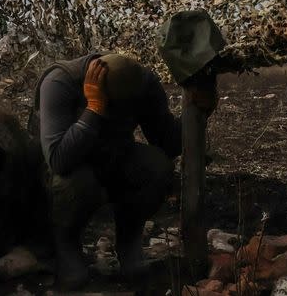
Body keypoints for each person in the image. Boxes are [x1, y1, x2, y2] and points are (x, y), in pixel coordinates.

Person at [35, 52, 215, 288]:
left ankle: (128, 241)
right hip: (66, 168)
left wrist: (199, 111)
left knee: (157, 167)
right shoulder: (60, 82)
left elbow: (165, 141)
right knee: (78, 183)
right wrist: (94, 108)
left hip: (113, 156)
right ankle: (66, 244)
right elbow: (59, 160)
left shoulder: (142, 83)